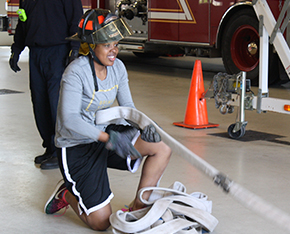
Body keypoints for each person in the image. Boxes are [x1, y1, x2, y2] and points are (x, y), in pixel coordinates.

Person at [43, 9, 171, 231]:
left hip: (105, 135)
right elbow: (69, 120)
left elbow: (128, 109)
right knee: (101, 223)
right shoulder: (75, 72)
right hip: (76, 145)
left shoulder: (118, 67)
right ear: (91, 46)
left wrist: (146, 125)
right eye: (107, 45)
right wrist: (107, 138)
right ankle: (66, 193)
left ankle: (138, 209)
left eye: (116, 44)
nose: (114, 50)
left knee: (161, 147)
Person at [9, 0, 83, 169]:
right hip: (36, 54)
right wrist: (16, 49)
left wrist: (75, 49)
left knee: (56, 103)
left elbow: (76, 19)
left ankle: (62, 151)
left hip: (59, 53)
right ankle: (50, 147)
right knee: (40, 102)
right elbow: (23, 21)